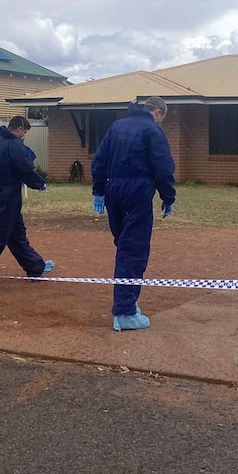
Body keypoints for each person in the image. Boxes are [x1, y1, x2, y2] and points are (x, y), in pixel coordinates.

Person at [91, 96, 176, 331]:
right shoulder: (152, 130)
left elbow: (99, 160)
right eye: (163, 117)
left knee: (123, 246)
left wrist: (98, 191)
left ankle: (127, 302)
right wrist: (168, 197)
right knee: (133, 250)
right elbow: (163, 167)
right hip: (137, 192)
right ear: (158, 113)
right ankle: (125, 311)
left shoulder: (117, 126)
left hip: (112, 191)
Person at [0, 115, 54, 290]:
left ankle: (35, 267)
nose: (24, 136)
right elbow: (25, 169)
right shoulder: (15, 146)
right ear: (20, 129)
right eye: (25, 132)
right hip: (8, 196)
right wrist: (39, 183)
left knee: (16, 235)